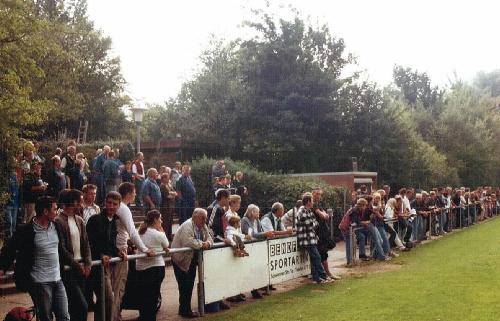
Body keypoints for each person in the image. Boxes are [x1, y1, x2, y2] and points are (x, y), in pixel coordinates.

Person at [0, 196, 71, 321]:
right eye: (54, 209)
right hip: (40, 282)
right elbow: (10, 249)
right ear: (45, 211)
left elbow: (62, 250)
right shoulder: (27, 230)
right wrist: (2, 267)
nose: (57, 211)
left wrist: (76, 265)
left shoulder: (56, 226)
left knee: (64, 316)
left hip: (57, 279)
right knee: (45, 317)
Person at [113, 182, 155, 321]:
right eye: (134, 192)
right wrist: (144, 248)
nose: (136, 194)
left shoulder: (121, 208)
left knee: (117, 287)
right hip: (120, 249)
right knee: (118, 287)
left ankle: (115, 315)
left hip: (120, 246)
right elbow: (132, 232)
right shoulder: (123, 208)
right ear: (129, 193)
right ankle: (115, 316)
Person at [55, 189, 92, 321]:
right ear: (74, 202)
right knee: (82, 306)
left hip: (81, 268)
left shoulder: (80, 220)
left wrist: (88, 263)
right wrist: (76, 265)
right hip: (69, 269)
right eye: (80, 201)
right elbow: (61, 248)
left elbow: (86, 243)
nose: (82, 204)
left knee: (76, 308)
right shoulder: (59, 221)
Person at [86, 191, 123, 321]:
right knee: (107, 298)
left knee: (104, 300)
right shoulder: (95, 220)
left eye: (114, 204)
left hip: (106, 265)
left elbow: (110, 244)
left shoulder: (113, 221)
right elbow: (88, 243)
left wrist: (118, 251)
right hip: (95, 267)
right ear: (105, 203)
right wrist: (101, 255)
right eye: (109, 203)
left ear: (118, 206)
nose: (111, 206)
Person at [171, 208, 213, 318]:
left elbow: (210, 238)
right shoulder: (187, 225)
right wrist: (202, 244)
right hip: (180, 260)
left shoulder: (202, 225)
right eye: (203, 218)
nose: (205, 220)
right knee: (184, 285)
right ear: (195, 217)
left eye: (205, 218)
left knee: (189, 285)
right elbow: (188, 241)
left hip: (191, 259)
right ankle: (185, 310)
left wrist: (207, 243)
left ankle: (185, 309)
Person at [137, 210, 170, 321]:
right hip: (155, 269)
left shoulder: (140, 232)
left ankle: (144, 317)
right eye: (160, 218)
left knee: (143, 297)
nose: (161, 220)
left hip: (142, 269)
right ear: (155, 219)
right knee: (152, 298)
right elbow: (166, 244)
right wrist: (161, 230)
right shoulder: (158, 234)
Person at [241, 204, 274, 298]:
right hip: (248, 248)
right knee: (250, 270)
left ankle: (256, 289)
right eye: (257, 212)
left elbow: (260, 232)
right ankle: (253, 290)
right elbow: (251, 234)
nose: (259, 213)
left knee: (256, 269)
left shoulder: (258, 220)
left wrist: (265, 234)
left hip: (257, 247)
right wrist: (265, 234)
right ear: (252, 212)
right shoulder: (245, 220)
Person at [296, 193, 330, 284]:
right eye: (312, 201)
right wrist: (314, 223)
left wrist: (313, 223)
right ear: (308, 202)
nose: (313, 203)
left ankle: (317, 279)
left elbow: (315, 223)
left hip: (311, 238)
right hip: (306, 240)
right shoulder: (302, 211)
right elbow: (310, 225)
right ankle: (323, 276)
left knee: (313, 258)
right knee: (317, 257)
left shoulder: (309, 211)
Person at [159, 172, 177, 241]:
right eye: (167, 177)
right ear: (163, 178)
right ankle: (165, 237)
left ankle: (169, 236)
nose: (168, 179)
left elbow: (175, 193)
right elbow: (168, 196)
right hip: (166, 206)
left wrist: (172, 194)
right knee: (166, 222)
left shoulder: (169, 185)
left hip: (171, 206)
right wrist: (172, 194)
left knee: (170, 222)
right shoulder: (162, 186)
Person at [4, 171, 20, 239]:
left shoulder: (16, 178)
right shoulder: (6, 178)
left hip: (15, 204)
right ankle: (9, 237)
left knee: (13, 222)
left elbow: (18, 192)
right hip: (8, 204)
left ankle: (12, 237)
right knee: (9, 221)